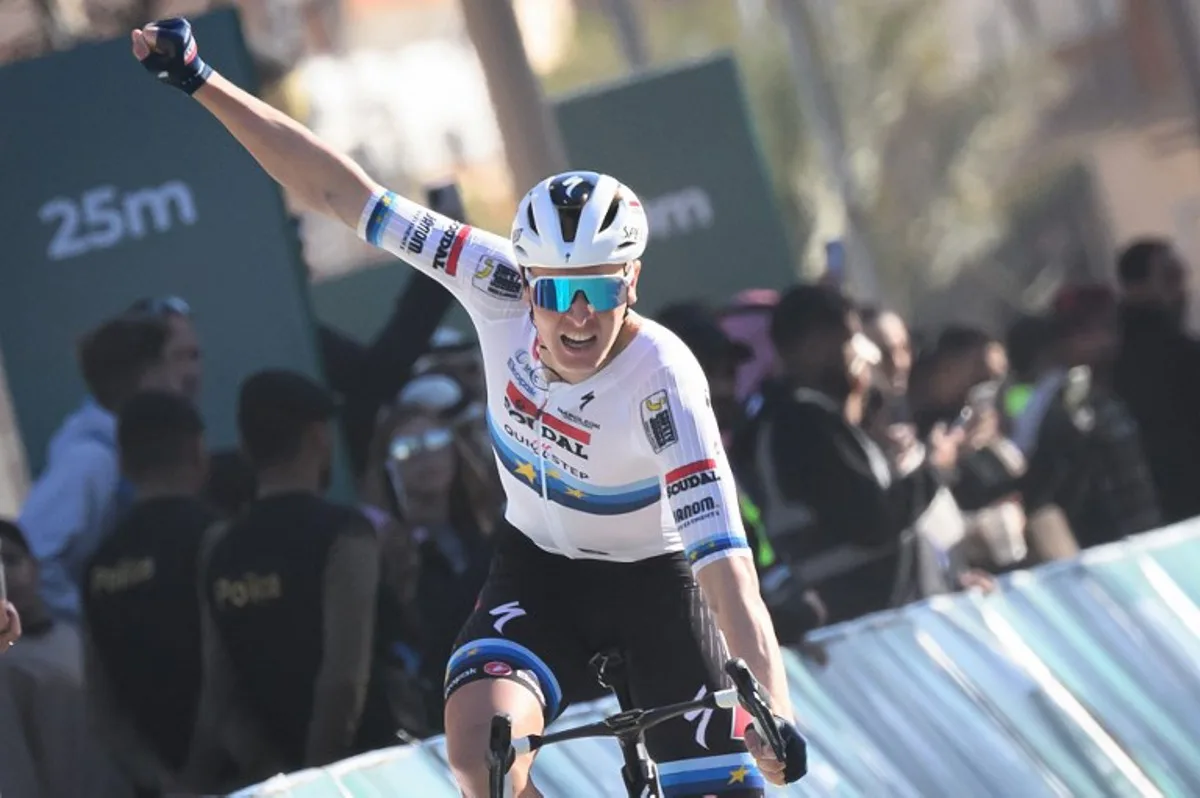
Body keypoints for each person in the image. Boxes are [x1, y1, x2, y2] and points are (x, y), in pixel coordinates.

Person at [130, 18, 805, 796]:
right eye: (557, 291)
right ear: (529, 279)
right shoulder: (492, 280)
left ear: (633, 283)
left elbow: (725, 567)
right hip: (539, 570)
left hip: (658, 581)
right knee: (480, 749)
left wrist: (770, 707)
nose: (576, 315)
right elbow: (337, 190)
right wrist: (199, 78)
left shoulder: (665, 380)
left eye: (598, 290)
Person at [84, 390, 217, 794]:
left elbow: (103, 709)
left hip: (159, 781)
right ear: (198, 453)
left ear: (122, 463)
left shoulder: (99, 564)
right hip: (243, 773)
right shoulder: (219, 541)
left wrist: (165, 783)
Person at [21, 315, 177, 625]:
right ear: (147, 376)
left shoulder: (120, 447)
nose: (178, 381)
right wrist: (97, 621)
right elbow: (32, 559)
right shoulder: (90, 460)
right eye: (168, 365)